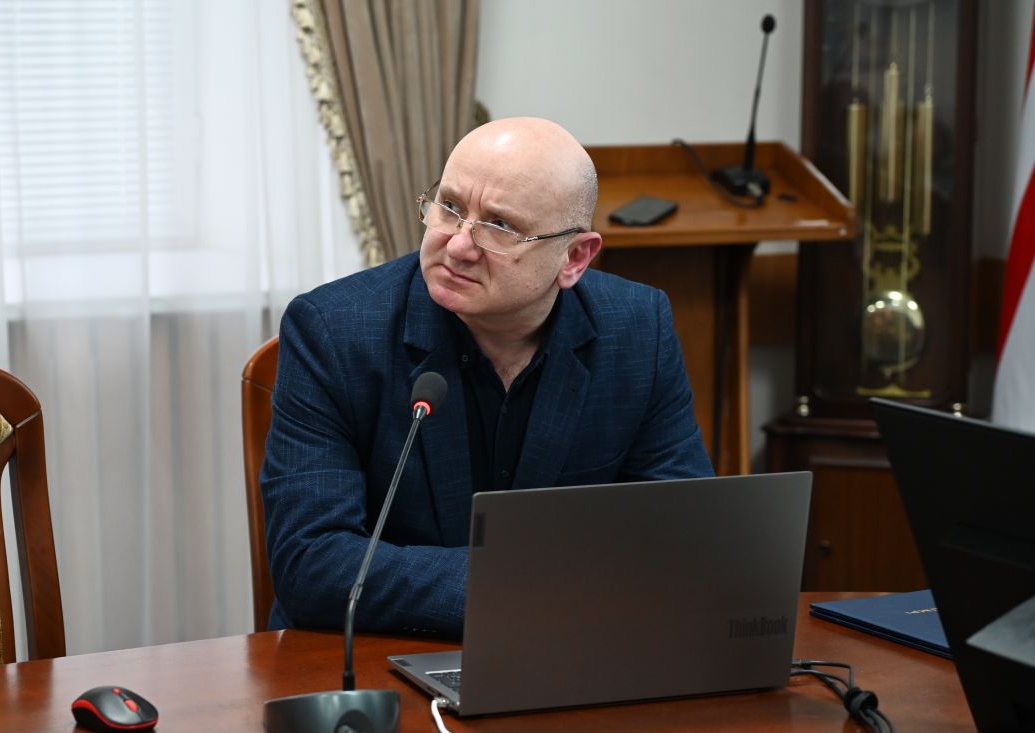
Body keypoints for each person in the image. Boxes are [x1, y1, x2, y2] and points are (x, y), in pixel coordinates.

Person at [261, 116, 713, 638]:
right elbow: (312, 563)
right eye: (450, 207)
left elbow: (682, 535)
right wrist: (533, 589)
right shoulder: (333, 331)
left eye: (499, 226)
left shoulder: (637, 328)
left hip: (574, 650)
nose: (457, 245)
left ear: (574, 257)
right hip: (374, 653)